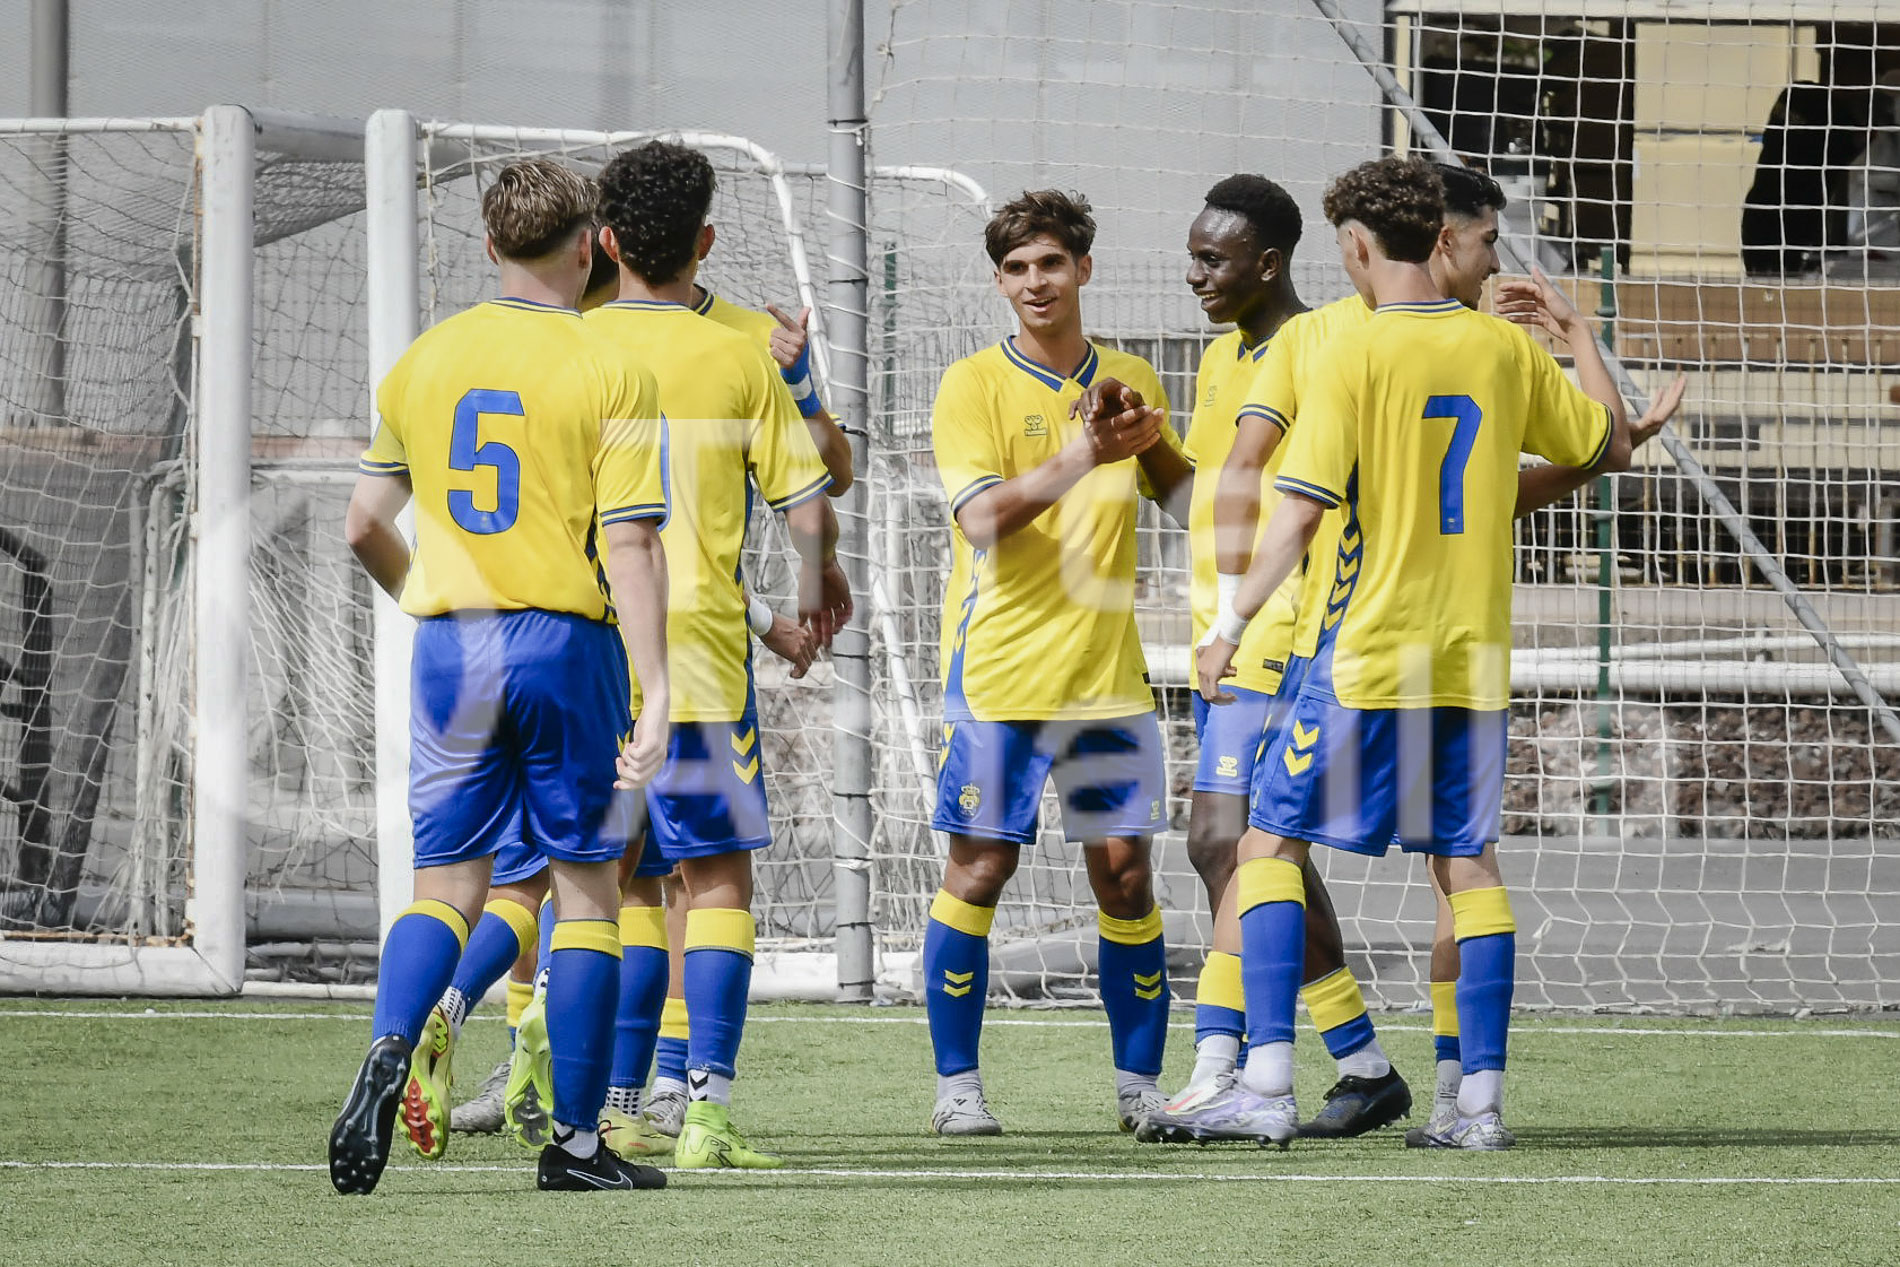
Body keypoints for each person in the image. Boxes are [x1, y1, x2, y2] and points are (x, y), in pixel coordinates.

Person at [1195, 155, 1630, 1151]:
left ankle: (1264, 1084)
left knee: (1267, 846)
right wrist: (1579, 339)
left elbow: (1297, 510)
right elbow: (1601, 444)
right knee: (1466, 863)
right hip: (1471, 666)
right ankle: (1476, 1105)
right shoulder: (1502, 349)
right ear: (1438, 236)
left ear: (1355, 244)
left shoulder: (1351, 352)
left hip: (1364, 656)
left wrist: (1231, 623)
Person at [329, 157, 671, 1194]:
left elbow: (364, 524)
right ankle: (577, 1146)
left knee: (446, 885)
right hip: (563, 645)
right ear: (594, 246)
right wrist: (657, 689)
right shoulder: (611, 365)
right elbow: (632, 543)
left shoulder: (422, 361)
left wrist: (433, 599)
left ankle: (392, 1042)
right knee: (588, 892)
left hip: (452, 647)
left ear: (489, 244)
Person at [585, 139, 849, 1169]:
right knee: (717, 878)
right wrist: (813, 591)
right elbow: (812, 502)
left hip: (587, 654)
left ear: (606, 242)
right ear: (705, 241)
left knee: (608, 883)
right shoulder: (740, 354)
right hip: (696, 651)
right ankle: (705, 1111)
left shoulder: (571, 350)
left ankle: (604, 1101)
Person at [1141, 174, 1408, 1144]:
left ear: (1268, 262)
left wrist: (1242, 616)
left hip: (1285, 627)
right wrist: (1146, 449)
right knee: (1253, 847)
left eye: (1212, 259)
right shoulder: (1224, 358)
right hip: (1230, 632)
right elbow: (1207, 495)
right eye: (1191, 255)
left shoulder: (1321, 342)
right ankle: (1360, 1062)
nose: (1194, 274)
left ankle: (1228, 1066)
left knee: (1233, 842)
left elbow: (1292, 496)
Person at [923, 189, 1191, 1136]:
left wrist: (1176, 448)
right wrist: (1086, 451)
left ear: (1083, 267)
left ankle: (1139, 1088)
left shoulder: (1131, 377)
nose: (1035, 281)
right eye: (1016, 268)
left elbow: (1186, 502)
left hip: (1108, 681)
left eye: (1050, 262)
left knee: (1126, 879)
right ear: (1000, 282)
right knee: (980, 870)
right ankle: (957, 1089)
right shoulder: (970, 385)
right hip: (999, 677)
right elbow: (981, 520)